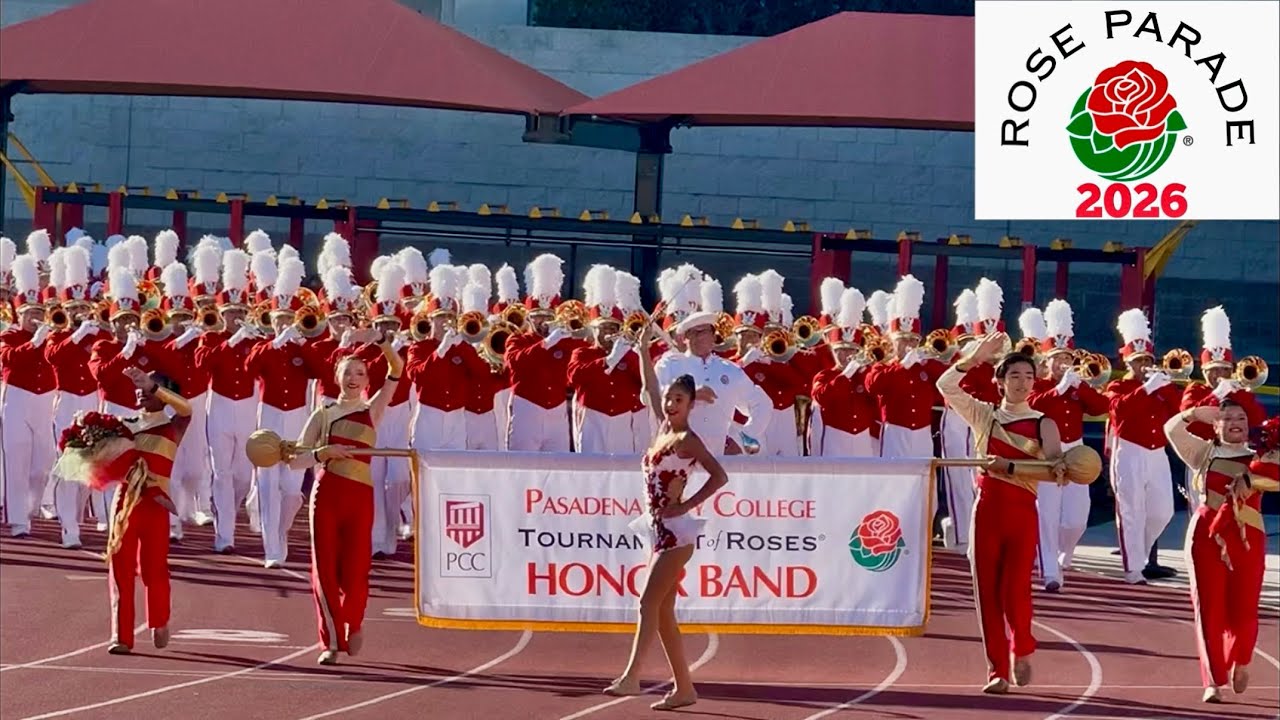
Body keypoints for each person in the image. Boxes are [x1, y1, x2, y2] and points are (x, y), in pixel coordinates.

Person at [603, 319, 728, 711]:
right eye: (670, 399)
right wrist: (643, 350)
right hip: (657, 530)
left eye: (679, 400)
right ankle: (684, 689)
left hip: (676, 535)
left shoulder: (688, 439)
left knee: (646, 604)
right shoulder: (662, 429)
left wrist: (687, 505)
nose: (672, 404)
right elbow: (651, 389)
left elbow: (720, 476)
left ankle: (631, 677)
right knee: (665, 614)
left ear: (691, 405)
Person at [936, 333, 1066, 694]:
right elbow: (945, 385)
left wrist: (1010, 468)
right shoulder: (984, 415)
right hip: (987, 511)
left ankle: (1022, 643)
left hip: (1022, 512)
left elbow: (1057, 472)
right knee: (987, 593)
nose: (1023, 383)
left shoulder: (1043, 424)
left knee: (1015, 591)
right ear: (1000, 382)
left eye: (1028, 376)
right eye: (1014, 376)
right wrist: (973, 357)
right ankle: (997, 670)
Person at [287, 330, 402, 665]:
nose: (353, 378)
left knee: (356, 568)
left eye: (360, 373)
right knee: (324, 569)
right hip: (326, 495)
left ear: (367, 379)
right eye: (347, 372)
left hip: (360, 496)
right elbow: (296, 460)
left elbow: (397, 368)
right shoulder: (322, 414)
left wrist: (380, 338)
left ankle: (354, 620)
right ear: (336, 377)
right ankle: (330, 641)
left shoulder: (373, 409)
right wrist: (323, 453)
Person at [1163, 402, 1269, 704]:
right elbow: (1171, 429)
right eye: (1227, 418)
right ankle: (1213, 681)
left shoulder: (1263, 457)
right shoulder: (1203, 453)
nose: (1236, 422)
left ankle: (1241, 658)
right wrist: (1193, 414)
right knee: (1209, 609)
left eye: (1241, 417)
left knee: (1245, 610)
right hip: (1206, 536)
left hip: (1248, 537)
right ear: (1215, 425)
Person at [107, 368, 192, 654]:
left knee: (153, 568)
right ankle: (121, 636)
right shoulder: (123, 424)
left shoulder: (174, 425)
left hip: (156, 505)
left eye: (150, 387)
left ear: (164, 393)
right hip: (125, 503)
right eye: (139, 386)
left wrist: (152, 386)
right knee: (120, 568)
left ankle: (159, 619)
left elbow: (186, 408)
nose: (141, 390)